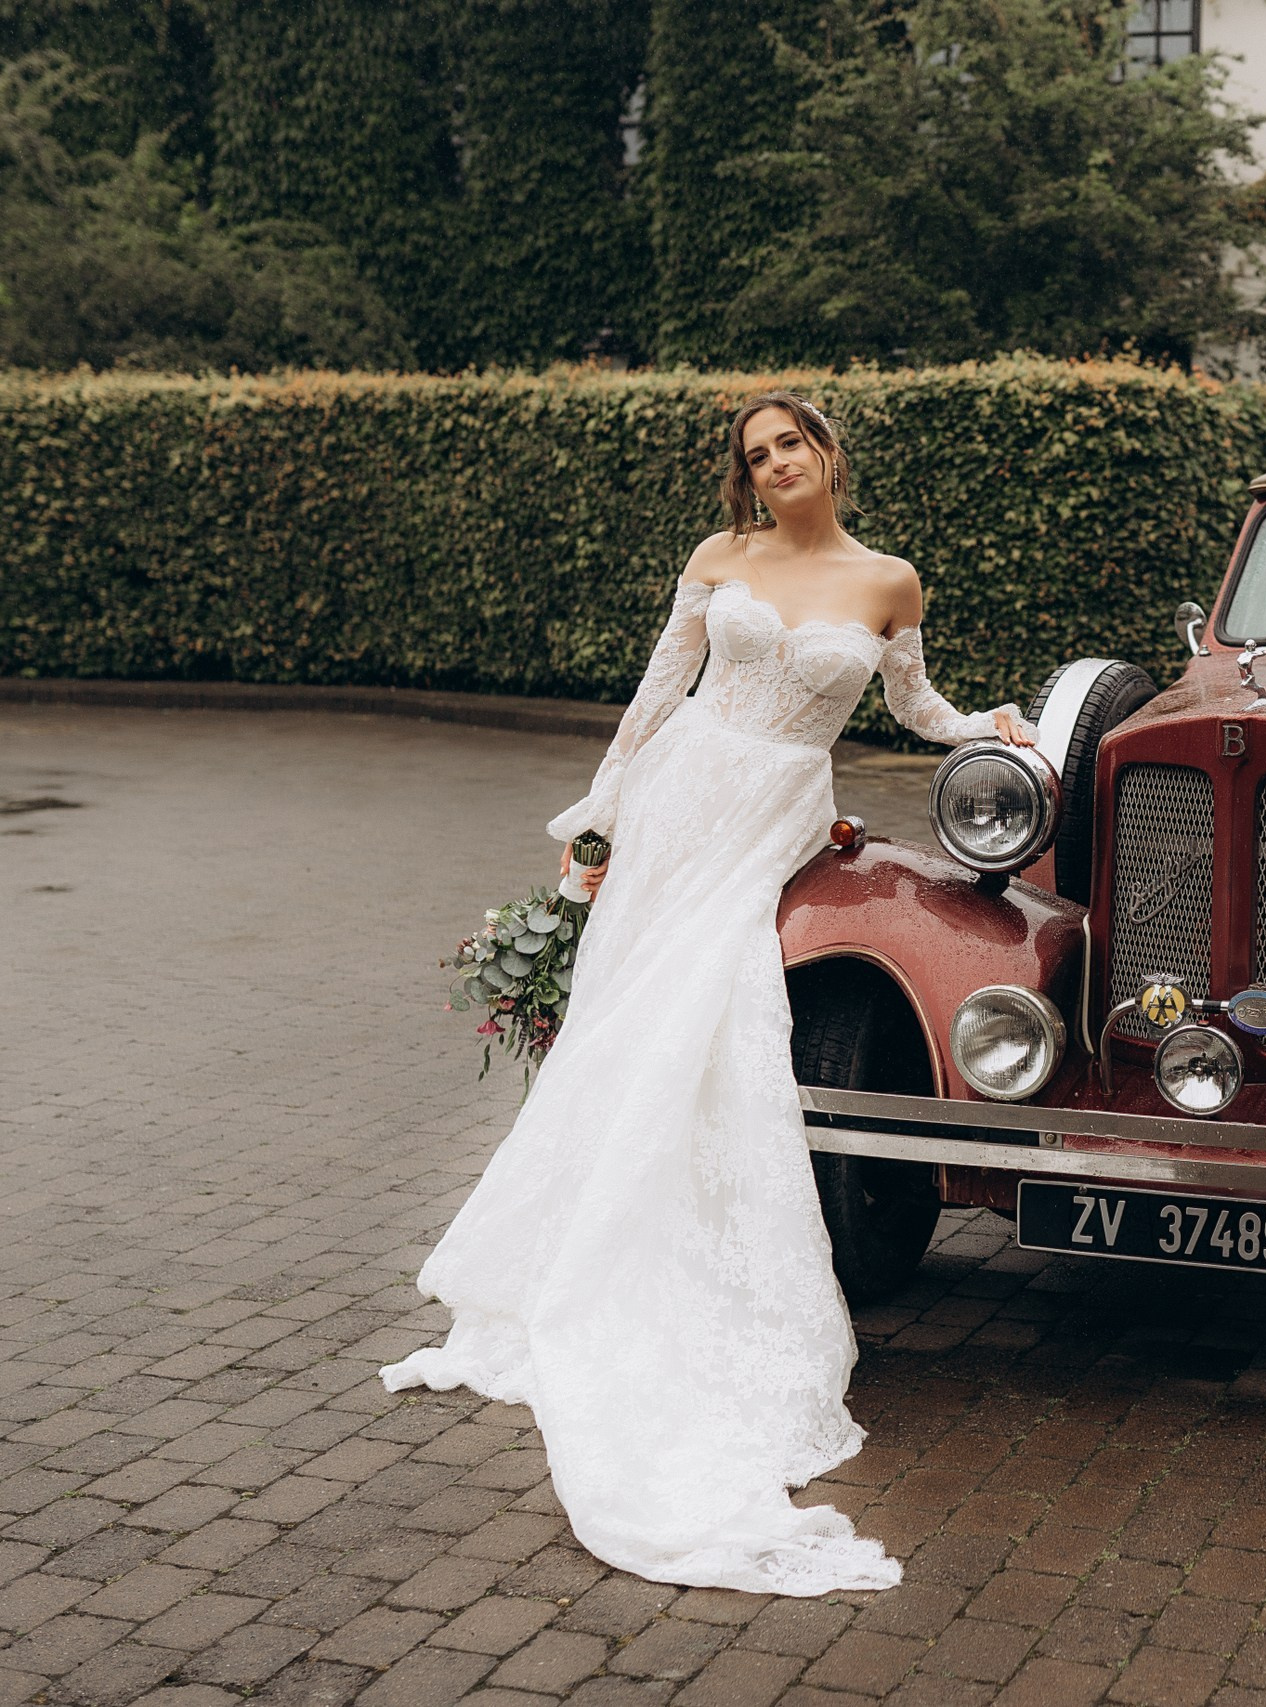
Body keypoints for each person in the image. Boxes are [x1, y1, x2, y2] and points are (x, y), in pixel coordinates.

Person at [382, 392, 1035, 1592]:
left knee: (711, 1009)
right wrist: (600, 818)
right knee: (630, 1014)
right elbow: (657, 689)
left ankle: (673, 1243)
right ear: (743, 477)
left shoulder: (890, 578)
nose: (776, 463)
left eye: (790, 443)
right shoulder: (717, 558)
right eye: (756, 454)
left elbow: (909, 704)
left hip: (772, 808)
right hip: (684, 793)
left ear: (827, 452)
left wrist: (986, 727)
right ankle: (584, 1235)